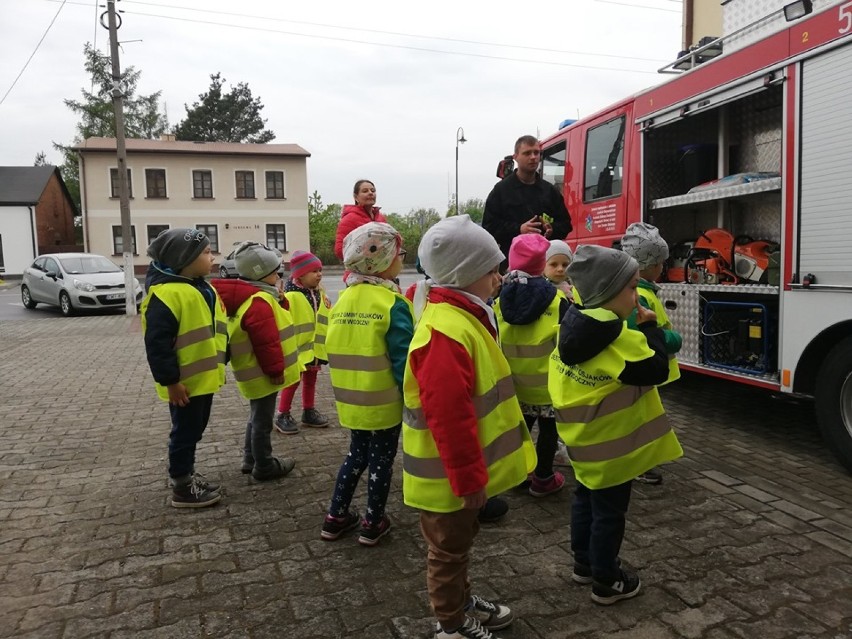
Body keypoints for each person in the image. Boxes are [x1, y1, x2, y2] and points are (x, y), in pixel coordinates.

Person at [403, 215, 536, 639]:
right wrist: (467, 480)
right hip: (448, 480)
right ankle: (451, 625)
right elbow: (449, 417)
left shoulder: (463, 317)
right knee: (447, 551)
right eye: (491, 269)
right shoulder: (446, 332)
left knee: (458, 547)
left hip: (456, 477)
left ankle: (459, 601)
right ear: (464, 274)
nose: (499, 278)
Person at [548, 245, 683, 605]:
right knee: (609, 514)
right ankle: (606, 580)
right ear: (609, 293)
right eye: (632, 286)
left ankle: (583, 564)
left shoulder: (572, 327)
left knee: (584, 501)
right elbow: (655, 368)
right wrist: (651, 328)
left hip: (583, 444)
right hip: (613, 450)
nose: (637, 294)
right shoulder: (618, 340)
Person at [321, 222, 413, 546]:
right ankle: (373, 521)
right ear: (385, 260)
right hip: (383, 401)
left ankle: (335, 516)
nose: (403, 258)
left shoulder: (342, 300)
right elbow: (404, 359)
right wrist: (413, 397)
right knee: (381, 460)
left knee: (355, 454)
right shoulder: (392, 304)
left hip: (351, 399)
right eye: (400, 253)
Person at [141, 228, 227, 508]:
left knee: (195, 429)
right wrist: (171, 382)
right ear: (184, 258)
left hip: (203, 379)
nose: (212, 257)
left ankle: (187, 473)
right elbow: (157, 344)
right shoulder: (166, 294)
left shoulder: (200, 286)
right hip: (184, 384)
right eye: (205, 252)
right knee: (185, 432)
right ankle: (181, 485)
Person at [211, 242, 301, 481]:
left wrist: (280, 299)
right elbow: (266, 341)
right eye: (274, 273)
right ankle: (264, 465)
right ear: (262, 274)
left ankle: (249, 458)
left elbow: (279, 317)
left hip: (252, 373)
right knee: (262, 421)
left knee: (255, 417)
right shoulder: (260, 302)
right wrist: (275, 369)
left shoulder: (254, 297)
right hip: (263, 374)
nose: (278, 276)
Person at [495, 233, 568, 497]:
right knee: (548, 433)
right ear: (542, 264)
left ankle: (519, 473)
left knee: (520, 431)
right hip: (548, 386)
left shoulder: (498, 301)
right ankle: (543, 478)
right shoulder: (559, 301)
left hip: (516, 385)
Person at [621, 223, 683, 485]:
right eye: (660, 262)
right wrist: (673, 339)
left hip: (646, 368)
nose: (663, 267)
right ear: (648, 265)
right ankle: (639, 463)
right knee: (640, 420)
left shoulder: (639, 292)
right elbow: (644, 335)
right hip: (646, 367)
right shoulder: (641, 297)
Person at [482, 135, 573, 272]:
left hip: (544, 267)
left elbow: (566, 225)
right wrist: (519, 229)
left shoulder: (550, 191)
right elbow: (489, 227)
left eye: (536, 153)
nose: (533, 157)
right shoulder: (501, 191)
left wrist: (552, 229)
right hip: (510, 268)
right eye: (527, 153)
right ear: (516, 156)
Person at [274, 250, 332, 434]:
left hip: (314, 349)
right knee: (293, 381)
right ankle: (282, 414)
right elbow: (282, 317)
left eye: (320, 270)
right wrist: (281, 301)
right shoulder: (290, 296)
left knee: (311, 380)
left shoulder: (319, 293)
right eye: (314, 271)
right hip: (297, 349)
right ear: (300, 274)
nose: (319, 274)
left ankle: (308, 411)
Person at [334, 179, 387, 262]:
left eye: (373, 190)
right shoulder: (349, 219)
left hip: (381, 272)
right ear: (356, 197)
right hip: (359, 272)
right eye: (365, 191)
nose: (370, 193)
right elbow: (340, 250)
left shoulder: (381, 218)